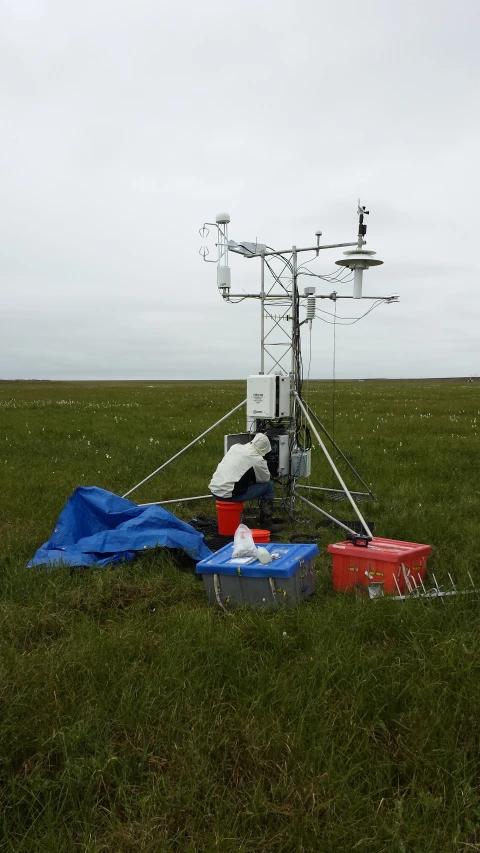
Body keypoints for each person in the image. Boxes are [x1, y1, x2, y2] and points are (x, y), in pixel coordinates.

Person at [209, 433, 279, 529]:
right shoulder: (258, 460)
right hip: (229, 495)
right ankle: (267, 522)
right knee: (269, 486)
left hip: (215, 490)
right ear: (265, 449)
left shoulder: (235, 447)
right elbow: (265, 479)